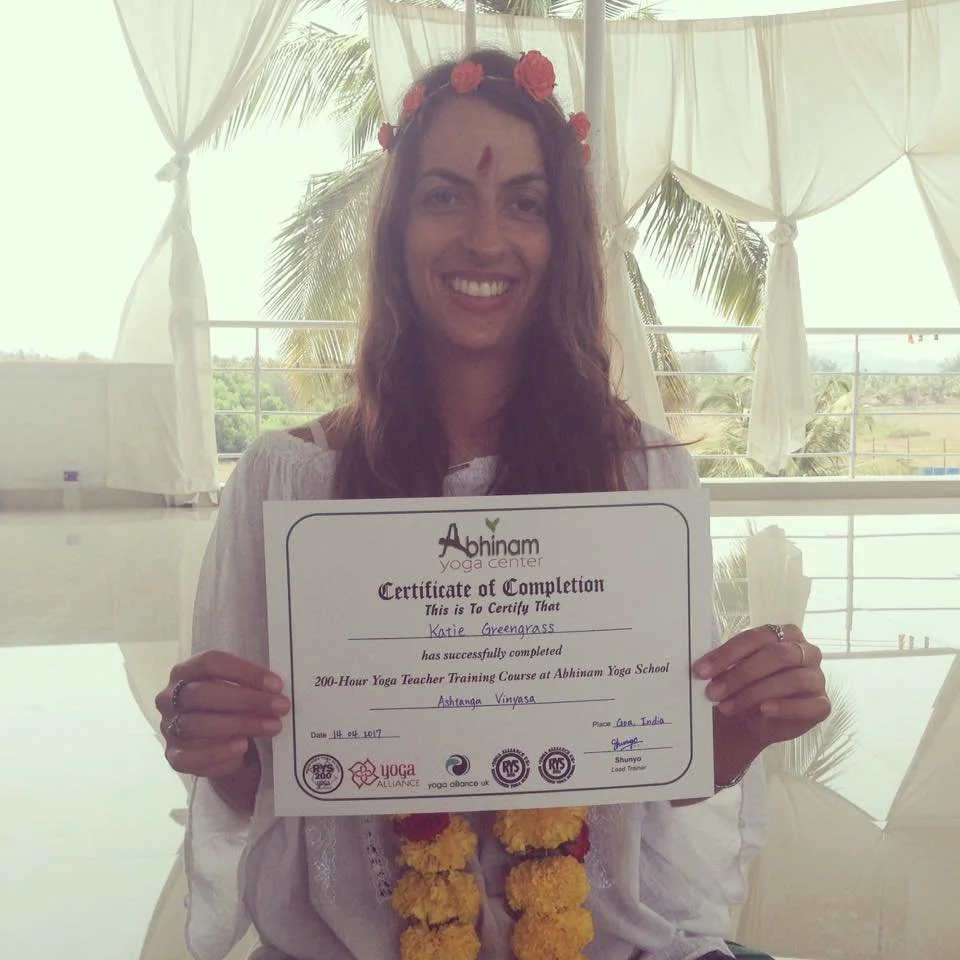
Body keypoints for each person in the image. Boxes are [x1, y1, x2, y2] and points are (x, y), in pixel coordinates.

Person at [156, 49, 830, 960]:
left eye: (524, 203)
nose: (484, 239)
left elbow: (660, 764)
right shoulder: (289, 484)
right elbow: (270, 783)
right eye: (444, 196)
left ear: (563, 241)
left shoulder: (640, 482)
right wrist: (218, 744)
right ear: (396, 229)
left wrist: (750, 724)